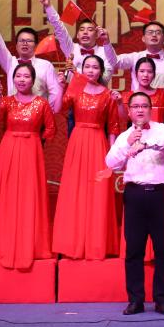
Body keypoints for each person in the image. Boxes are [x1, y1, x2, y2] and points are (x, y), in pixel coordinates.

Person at [105, 91, 164, 316]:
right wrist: (127, 145)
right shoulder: (124, 136)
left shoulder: (163, 129)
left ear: (150, 109)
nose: (140, 110)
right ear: (129, 111)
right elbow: (111, 163)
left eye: (144, 106)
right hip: (135, 195)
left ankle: (162, 300)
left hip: (160, 194)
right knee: (134, 250)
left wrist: (145, 144)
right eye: (135, 106)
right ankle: (135, 300)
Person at [0, 65, 56, 269]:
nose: (22, 79)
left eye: (26, 76)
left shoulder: (41, 103)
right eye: (18, 76)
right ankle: (5, 242)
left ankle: (31, 244)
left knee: (29, 194)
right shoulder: (6, 101)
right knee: (8, 193)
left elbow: (51, 129)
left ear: (33, 80)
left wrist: (36, 140)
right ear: (13, 79)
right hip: (9, 149)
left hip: (31, 150)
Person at [52, 56, 121, 260]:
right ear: (82, 69)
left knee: (97, 191)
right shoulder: (75, 89)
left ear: (101, 71)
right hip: (78, 142)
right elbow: (58, 108)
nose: (91, 70)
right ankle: (72, 243)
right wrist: (60, 87)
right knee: (76, 189)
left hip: (98, 143)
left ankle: (96, 243)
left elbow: (113, 127)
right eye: (87, 67)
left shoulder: (108, 95)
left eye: (95, 67)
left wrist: (112, 156)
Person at [116, 57, 164, 258]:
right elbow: (122, 119)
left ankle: (160, 252)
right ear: (135, 73)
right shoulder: (128, 96)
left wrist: (162, 140)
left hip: (158, 151)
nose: (145, 75)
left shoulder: (162, 94)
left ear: (154, 74)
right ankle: (138, 252)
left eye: (149, 71)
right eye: (142, 71)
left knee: (161, 203)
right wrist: (119, 104)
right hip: (136, 148)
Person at [103, 21, 164, 123]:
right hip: (136, 116)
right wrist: (106, 42)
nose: (154, 35)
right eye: (150, 32)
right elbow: (114, 62)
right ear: (143, 38)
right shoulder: (135, 57)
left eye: (158, 32)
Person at [0, 8, 63, 112]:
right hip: (13, 115)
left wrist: (46, 112)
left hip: (38, 116)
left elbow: (54, 92)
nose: (25, 43)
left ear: (36, 45)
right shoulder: (11, 63)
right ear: (16, 45)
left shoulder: (46, 65)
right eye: (21, 41)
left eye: (29, 41)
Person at [39, 0, 113, 84]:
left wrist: (76, 71)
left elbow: (105, 79)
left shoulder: (105, 52)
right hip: (72, 92)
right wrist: (48, 6)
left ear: (97, 35)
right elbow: (59, 28)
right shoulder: (71, 48)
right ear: (77, 35)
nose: (85, 32)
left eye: (90, 30)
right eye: (82, 29)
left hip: (97, 93)